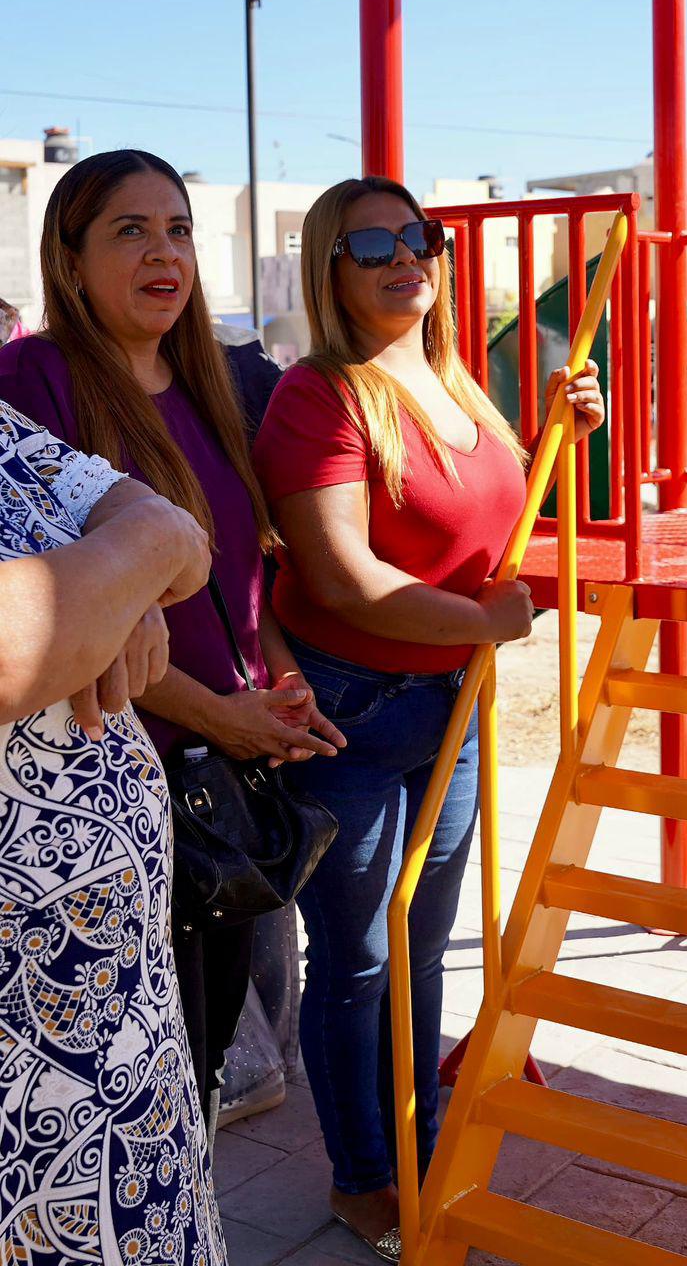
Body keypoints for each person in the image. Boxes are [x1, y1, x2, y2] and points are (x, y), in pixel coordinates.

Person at [252, 176, 604, 1258]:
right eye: (374, 245)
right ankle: (365, 1178)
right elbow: (344, 576)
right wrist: (485, 618)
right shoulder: (320, 395)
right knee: (357, 959)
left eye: (422, 236)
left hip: (448, 704)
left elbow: (491, 515)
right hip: (351, 713)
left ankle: (421, 1139)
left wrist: (562, 430)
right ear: (331, 269)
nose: (408, 256)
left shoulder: (457, 377)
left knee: (422, 945)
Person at [0, 149, 344, 1153]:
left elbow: (244, 576)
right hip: (129, 771)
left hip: (231, 765)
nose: (165, 251)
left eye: (180, 228)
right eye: (130, 230)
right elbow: (87, 621)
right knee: (141, 1086)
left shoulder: (213, 382)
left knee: (210, 1066)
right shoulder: (32, 382)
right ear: (69, 258)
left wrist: (276, 679)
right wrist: (222, 715)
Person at [0, 397, 226, 1266]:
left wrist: (113, 594)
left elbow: (182, 534)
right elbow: (17, 649)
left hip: (119, 1062)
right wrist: (122, 574)